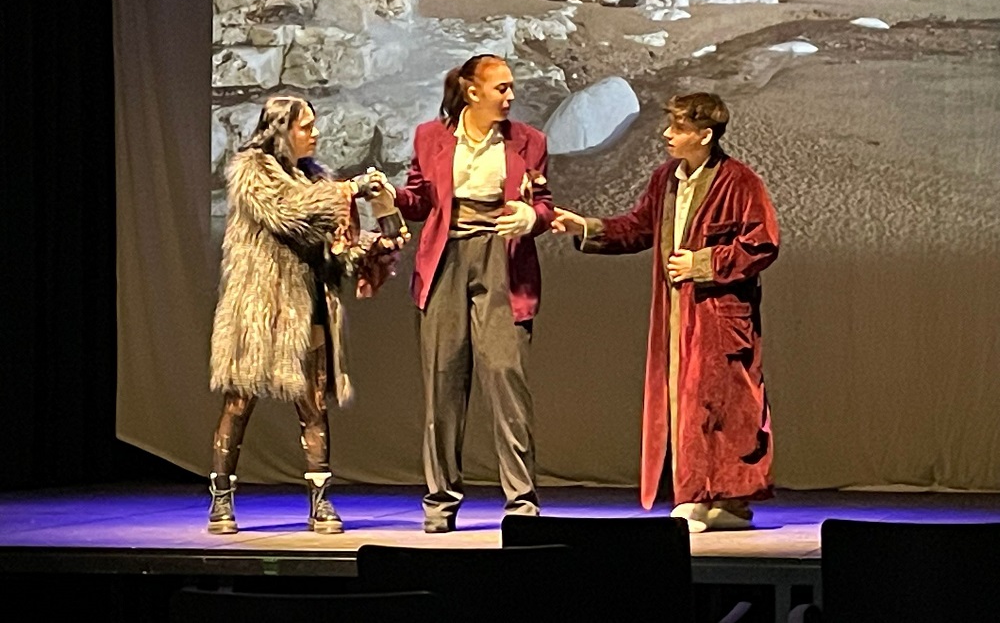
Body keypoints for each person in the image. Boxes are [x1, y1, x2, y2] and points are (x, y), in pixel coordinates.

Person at [552, 92, 779, 532]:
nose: (667, 135)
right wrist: (586, 227)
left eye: (678, 128)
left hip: (719, 317)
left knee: (723, 406)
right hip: (677, 314)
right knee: (686, 403)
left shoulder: (740, 182)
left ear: (705, 135)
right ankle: (702, 497)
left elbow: (762, 243)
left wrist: (704, 263)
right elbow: (639, 227)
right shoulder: (666, 180)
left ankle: (720, 501)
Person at [207, 95, 406, 535]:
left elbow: (330, 248)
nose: (314, 133)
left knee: (314, 404)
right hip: (259, 308)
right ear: (281, 130)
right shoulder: (253, 171)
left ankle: (320, 500)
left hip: (307, 304)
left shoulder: (315, 177)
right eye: (305, 126)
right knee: (239, 403)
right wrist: (348, 190)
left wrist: (371, 247)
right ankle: (221, 497)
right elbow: (288, 213)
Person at [372, 54, 554, 532]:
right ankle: (440, 504)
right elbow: (420, 199)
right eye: (502, 88)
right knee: (443, 384)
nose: (510, 96)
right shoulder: (430, 137)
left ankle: (521, 504)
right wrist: (390, 197)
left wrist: (532, 217)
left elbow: (544, 204)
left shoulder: (529, 141)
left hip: (502, 261)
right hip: (445, 260)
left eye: (510, 87)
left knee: (507, 379)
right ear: (473, 92)